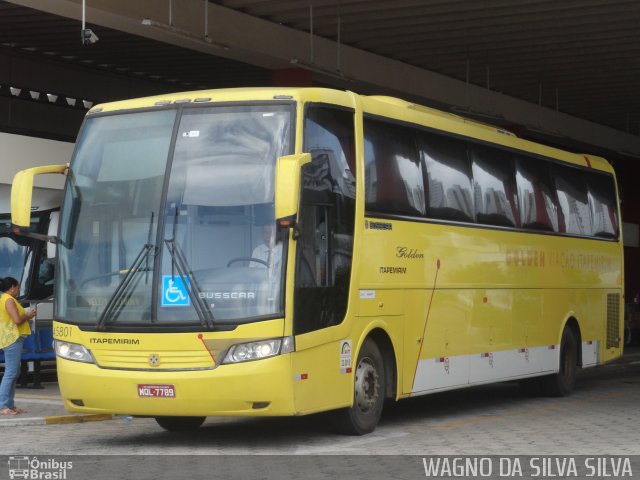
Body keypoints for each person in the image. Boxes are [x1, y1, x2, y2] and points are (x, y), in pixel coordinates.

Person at [0, 277, 36, 415]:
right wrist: (28, 315)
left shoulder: (5, 299)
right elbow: (16, 320)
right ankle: (3, 405)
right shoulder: (9, 300)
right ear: (12, 287)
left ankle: (10, 404)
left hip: (12, 339)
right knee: (11, 373)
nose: (18, 290)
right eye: (18, 287)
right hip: (12, 339)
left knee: (14, 372)